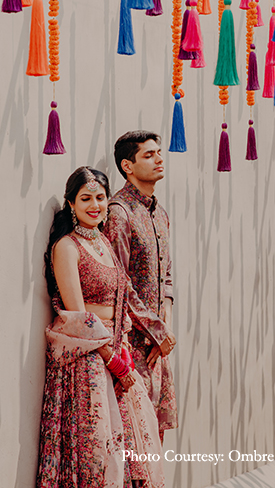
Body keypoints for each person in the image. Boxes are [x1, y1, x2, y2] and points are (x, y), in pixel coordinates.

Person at [37, 166, 174, 488]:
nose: (95, 205)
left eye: (100, 197)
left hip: (117, 350)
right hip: (88, 360)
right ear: (71, 204)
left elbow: (125, 296)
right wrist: (111, 357)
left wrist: (130, 344)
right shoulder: (67, 247)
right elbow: (78, 316)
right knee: (97, 450)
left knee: (133, 450)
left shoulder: (103, 242)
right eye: (85, 198)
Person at [104, 131, 177, 443]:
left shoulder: (160, 213)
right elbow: (120, 282)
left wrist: (165, 328)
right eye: (149, 155)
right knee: (135, 435)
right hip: (131, 343)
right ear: (127, 166)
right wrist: (156, 331)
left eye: (158, 152)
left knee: (154, 437)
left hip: (158, 346)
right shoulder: (118, 213)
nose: (159, 159)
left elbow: (168, 278)